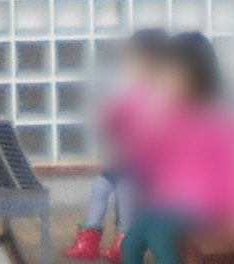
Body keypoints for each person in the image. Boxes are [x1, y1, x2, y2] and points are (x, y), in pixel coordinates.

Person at [111, 32, 234, 264]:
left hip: (204, 203)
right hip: (168, 202)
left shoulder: (220, 120)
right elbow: (144, 158)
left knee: (159, 235)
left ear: (196, 74)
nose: (165, 82)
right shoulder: (171, 117)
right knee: (130, 243)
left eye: (172, 75)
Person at [65, 29, 172, 261]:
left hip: (148, 165)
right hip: (126, 159)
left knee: (126, 189)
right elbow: (118, 122)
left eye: (137, 59)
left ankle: (124, 241)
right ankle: (88, 240)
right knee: (100, 186)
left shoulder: (163, 93)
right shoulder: (133, 92)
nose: (133, 65)